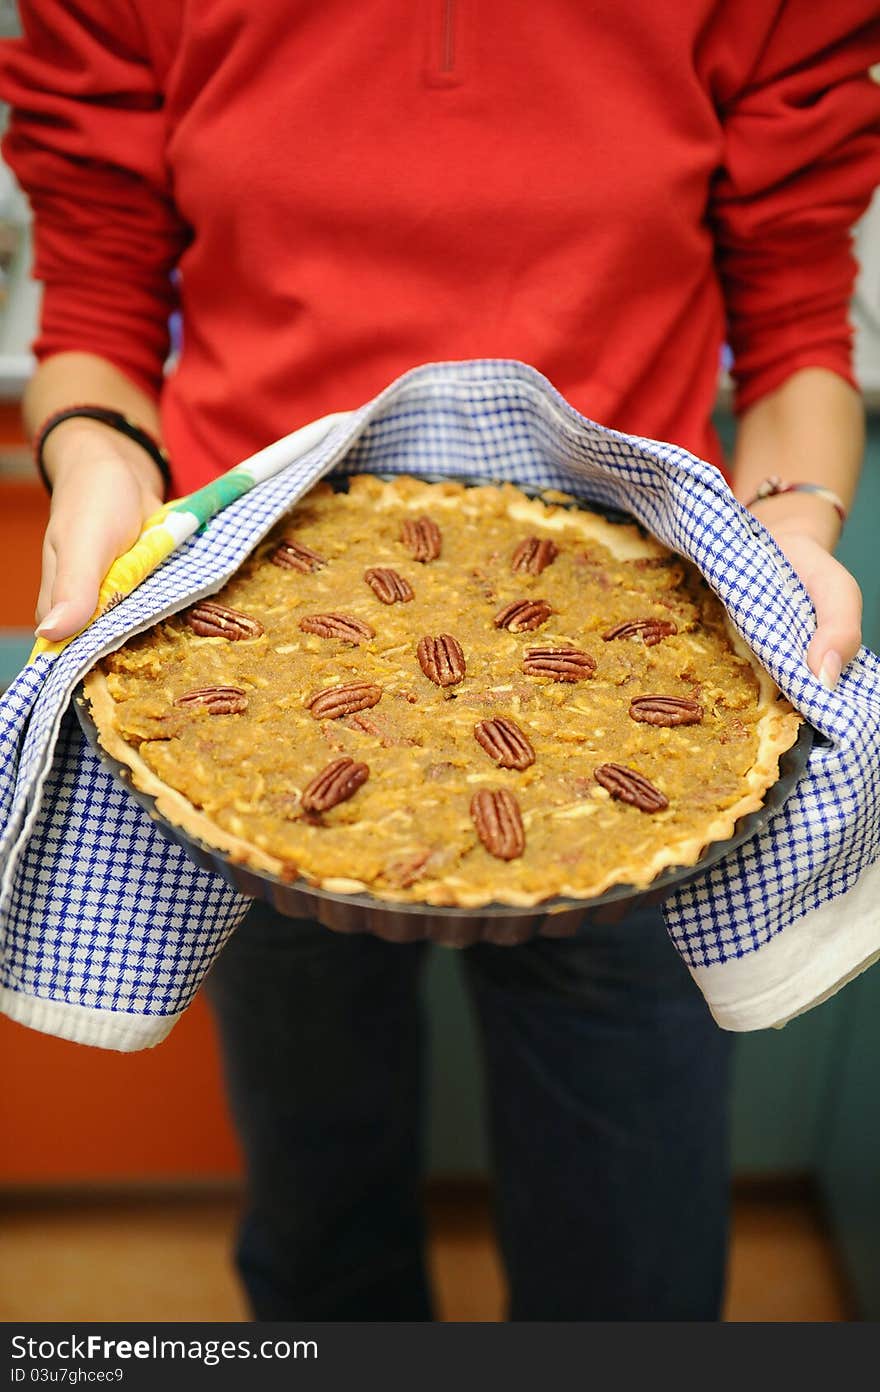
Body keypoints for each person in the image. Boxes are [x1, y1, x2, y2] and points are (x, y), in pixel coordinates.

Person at [1, 1, 877, 1321]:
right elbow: (103, 289)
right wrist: (96, 450)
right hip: (237, 678)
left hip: (648, 661)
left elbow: (798, 319)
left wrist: (791, 525)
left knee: (632, 1277)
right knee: (317, 1228)